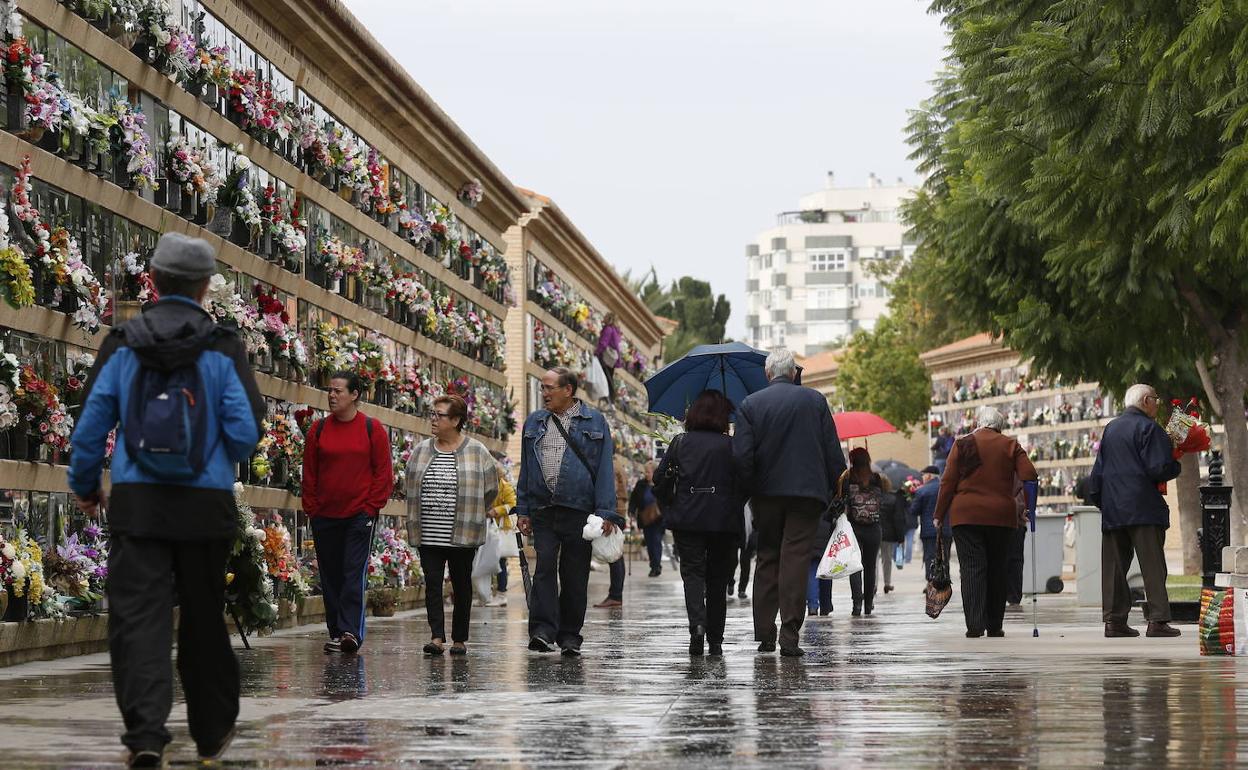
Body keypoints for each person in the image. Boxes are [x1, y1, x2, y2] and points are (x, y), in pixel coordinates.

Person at [68, 232, 264, 768]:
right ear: (205, 287)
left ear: (152, 280)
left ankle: (147, 735)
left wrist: (88, 486)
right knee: (203, 617)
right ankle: (210, 731)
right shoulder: (222, 347)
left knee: (139, 621)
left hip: (139, 506)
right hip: (205, 507)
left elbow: (90, 428)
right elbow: (246, 433)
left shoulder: (123, 344)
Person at [733, 349, 847, 657]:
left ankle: (765, 633)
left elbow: (742, 457)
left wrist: (749, 490)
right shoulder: (815, 402)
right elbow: (833, 453)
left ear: (768, 374)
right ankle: (790, 634)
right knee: (796, 557)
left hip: (766, 495)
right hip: (807, 496)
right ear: (794, 374)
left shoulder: (750, 405)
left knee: (768, 557)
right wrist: (835, 491)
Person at [515, 367, 623, 655]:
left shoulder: (595, 421)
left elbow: (603, 470)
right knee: (545, 570)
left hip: (579, 511)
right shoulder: (535, 422)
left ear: (568, 390)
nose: (544, 393)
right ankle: (541, 631)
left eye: (550, 387)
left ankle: (570, 636)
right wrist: (523, 508)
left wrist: (606, 512)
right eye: (542, 387)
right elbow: (527, 468)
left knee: (575, 575)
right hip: (544, 509)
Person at [302, 371, 393, 655]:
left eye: (338, 390)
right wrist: (312, 509)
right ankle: (336, 631)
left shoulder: (372, 428)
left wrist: (370, 508)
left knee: (353, 572)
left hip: (359, 516)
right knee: (330, 574)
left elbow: (383, 473)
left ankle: (350, 631)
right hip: (325, 514)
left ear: (354, 395)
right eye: (330, 390)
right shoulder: (318, 430)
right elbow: (310, 472)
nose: (332, 395)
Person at [405, 394, 498, 655]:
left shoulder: (477, 450)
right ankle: (436, 637)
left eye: (440, 415)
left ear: (456, 420)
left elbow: (491, 488)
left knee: (461, 585)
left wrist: (473, 510)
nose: (433, 420)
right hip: (429, 533)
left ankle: (459, 639)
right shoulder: (421, 450)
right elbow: (409, 483)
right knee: (433, 584)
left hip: (463, 533)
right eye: (432, 414)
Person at [1088, 383, 1183, 638]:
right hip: (1143, 507)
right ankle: (1158, 621)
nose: (1157, 404)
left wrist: (1102, 501)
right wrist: (1175, 464)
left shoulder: (1111, 429)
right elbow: (1158, 468)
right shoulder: (1149, 429)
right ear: (1145, 401)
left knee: (1115, 569)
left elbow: (1097, 473)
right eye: (1155, 399)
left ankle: (1114, 622)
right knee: (1152, 566)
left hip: (1114, 508)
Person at [933, 406, 1038, 638]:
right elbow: (1030, 474)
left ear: (978, 424)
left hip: (966, 516)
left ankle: (974, 625)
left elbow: (947, 483)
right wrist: (1029, 507)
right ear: (999, 426)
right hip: (1002, 517)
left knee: (972, 569)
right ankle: (995, 625)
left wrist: (939, 514)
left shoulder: (962, 444)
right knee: (998, 569)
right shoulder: (1010, 445)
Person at [656, 390, 744, 656]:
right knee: (718, 579)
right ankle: (715, 639)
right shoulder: (731, 445)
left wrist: (672, 503)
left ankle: (697, 627)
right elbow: (745, 480)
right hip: (724, 521)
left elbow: (660, 479)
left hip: (688, 518)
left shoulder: (680, 443)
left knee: (692, 575)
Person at [839, 448, 890, 617]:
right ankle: (869, 604)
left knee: (855, 566)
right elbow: (885, 497)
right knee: (870, 566)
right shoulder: (877, 478)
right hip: (874, 528)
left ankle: (857, 605)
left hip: (854, 527)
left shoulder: (847, 478)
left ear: (852, 461)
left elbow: (841, 499)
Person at [595, 462, 632, 608]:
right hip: (619, 508)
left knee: (614, 554)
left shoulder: (610, 465)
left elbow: (611, 488)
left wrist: (608, 513)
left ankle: (615, 595)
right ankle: (615, 594)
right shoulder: (618, 465)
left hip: (613, 510)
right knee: (616, 552)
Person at [910, 465, 950, 575]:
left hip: (929, 531)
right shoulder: (946, 488)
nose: (922, 477)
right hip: (946, 529)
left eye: (923, 475)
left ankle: (932, 583)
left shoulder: (922, 490)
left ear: (929, 476)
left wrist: (911, 497)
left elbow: (914, 511)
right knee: (945, 557)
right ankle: (945, 583)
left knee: (930, 558)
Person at [490, 454, 516, 607]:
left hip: (500, 528)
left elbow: (512, 504)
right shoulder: (486, 486)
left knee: (500, 560)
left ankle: (501, 594)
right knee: (487, 560)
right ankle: (487, 593)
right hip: (488, 528)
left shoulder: (505, 487)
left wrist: (496, 511)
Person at [631, 462, 664, 576]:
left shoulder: (660, 484)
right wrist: (631, 510)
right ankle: (653, 565)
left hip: (658, 519)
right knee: (650, 543)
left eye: (648, 472)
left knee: (656, 542)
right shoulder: (641, 484)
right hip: (645, 518)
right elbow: (634, 498)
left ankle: (656, 566)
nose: (646, 474)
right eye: (645, 471)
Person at [878, 475, 909, 594]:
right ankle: (887, 583)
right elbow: (898, 519)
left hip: (874, 532)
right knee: (887, 560)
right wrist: (900, 537)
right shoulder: (893, 499)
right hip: (888, 535)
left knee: (873, 561)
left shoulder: (873, 497)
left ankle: (873, 585)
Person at [596, 312, 622, 403]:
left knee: (605, 375)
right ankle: (610, 398)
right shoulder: (616, 331)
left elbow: (603, 343)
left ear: (609, 318)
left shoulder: (608, 329)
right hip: (612, 359)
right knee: (609, 376)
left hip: (606, 356)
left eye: (606, 317)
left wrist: (597, 352)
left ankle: (608, 397)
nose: (604, 318)